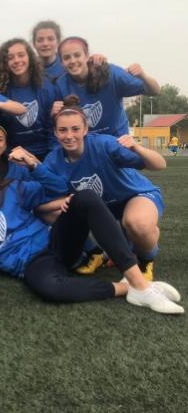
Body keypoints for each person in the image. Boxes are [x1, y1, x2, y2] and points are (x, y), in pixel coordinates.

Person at [0, 150, 182, 314]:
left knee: (85, 198)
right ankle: (128, 288)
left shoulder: (12, 189)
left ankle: (139, 281)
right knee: (49, 289)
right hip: (33, 264)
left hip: (56, 242)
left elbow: (58, 187)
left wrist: (33, 165)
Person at [42, 96, 168, 281]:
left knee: (137, 224)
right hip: (104, 209)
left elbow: (160, 164)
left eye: (75, 129)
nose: (69, 136)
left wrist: (137, 148)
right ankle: (95, 252)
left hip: (134, 196)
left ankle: (146, 259)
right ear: (55, 132)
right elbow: (41, 202)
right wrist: (60, 202)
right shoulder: (53, 160)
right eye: (63, 130)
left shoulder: (104, 144)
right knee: (50, 212)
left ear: (85, 129)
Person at [54, 36, 160, 138]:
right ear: (62, 63)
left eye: (77, 55)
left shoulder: (111, 74)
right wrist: (54, 113)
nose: (72, 61)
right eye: (67, 57)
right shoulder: (60, 86)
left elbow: (155, 90)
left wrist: (142, 75)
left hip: (118, 143)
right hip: (86, 147)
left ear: (87, 56)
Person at [0, 38, 58, 160]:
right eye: (10, 58)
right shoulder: (0, 91)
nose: (16, 60)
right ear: (5, 63)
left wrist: (52, 158)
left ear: (30, 58)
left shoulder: (46, 87)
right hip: (14, 156)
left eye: (21, 55)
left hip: (46, 153)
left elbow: (52, 128)